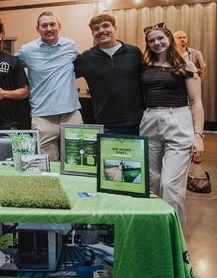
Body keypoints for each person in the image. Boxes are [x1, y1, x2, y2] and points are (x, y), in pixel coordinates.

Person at [140, 22, 205, 224]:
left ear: (169, 39)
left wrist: (198, 136)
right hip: (150, 120)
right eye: (152, 40)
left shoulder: (186, 66)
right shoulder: (145, 67)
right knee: (152, 182)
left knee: (170, 184)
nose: (157, 43)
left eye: (160, 38)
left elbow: (196, 102)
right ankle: (154, 227)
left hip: (178, 120)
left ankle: (172, 233)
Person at [16, 10, 82, 160]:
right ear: (37, 29)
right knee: (47, 165)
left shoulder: (70, 46)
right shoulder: (27, 50)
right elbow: (12, 67)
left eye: (52, 24)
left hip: (71, 113)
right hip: (42, 116)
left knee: (77, 160)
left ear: (59, 26)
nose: (49, 28)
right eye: (44, 25)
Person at [73, 13, 143, 135]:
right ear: (92, 33)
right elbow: (63, 75)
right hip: (105, 125)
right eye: (96, 28)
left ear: (114, 28)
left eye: (106, 26)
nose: (101, 31)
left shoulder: (134, 52)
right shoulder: (86, 58)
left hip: (138, 122)